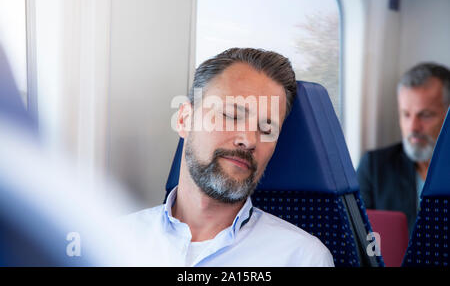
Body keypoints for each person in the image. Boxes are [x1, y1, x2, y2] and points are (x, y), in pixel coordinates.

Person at [122, 48, 334, 267]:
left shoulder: (302, 258)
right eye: (231, 115)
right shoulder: (114, 241)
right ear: (185, 119)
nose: (250, 140)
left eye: (267, 128)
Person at [357, 63, 450, 233]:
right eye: (406, 114)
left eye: (425, 115)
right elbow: (358, 240)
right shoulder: (374, 167)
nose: (413, 127)